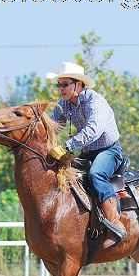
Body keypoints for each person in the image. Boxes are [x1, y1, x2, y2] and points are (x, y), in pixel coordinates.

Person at [47, 62, 127, 249]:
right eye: (59, 85)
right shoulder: (64, 105)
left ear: (79, 85)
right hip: (87, 152)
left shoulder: (95, 101)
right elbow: (52, 125)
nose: (61, 89)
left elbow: (94, 130)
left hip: (110, 151)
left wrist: (66, 146)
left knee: (96, 174)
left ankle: (115, 223)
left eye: (65, 84)